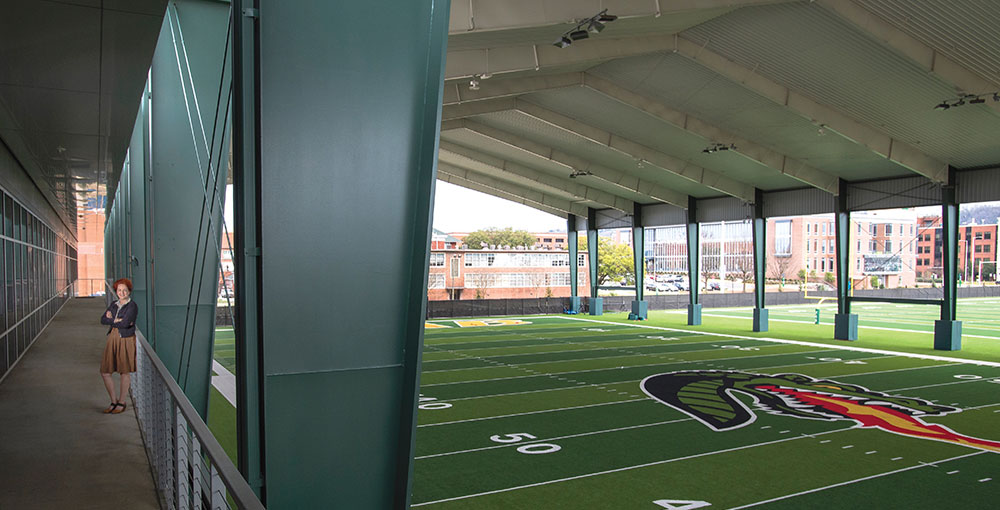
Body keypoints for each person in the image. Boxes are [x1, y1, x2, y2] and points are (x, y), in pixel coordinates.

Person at [100, 278, 139, 414]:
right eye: (119, 290)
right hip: (113, 338)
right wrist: (115, 320)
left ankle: (122, 402)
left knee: (124, 371)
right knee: (105, 371)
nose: (121, 292)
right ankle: (113, 400)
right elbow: (103, 319)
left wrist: (113, 320)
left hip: (126, 339)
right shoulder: (114, 304)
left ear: (129, 291)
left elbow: (125, 323)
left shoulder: (132, 306)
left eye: (124, 290)